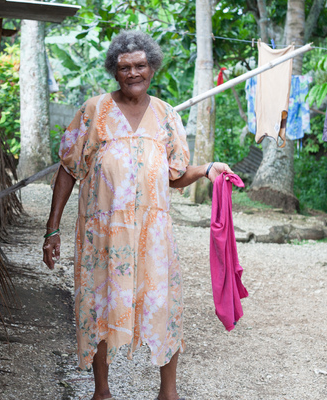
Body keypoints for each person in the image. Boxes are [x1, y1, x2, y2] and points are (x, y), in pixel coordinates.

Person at [43, 30, 233, 400]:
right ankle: (102, 390)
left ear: (152, 68)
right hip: (104, 234)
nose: (133, 73)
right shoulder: (94, 110)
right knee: (100, 301)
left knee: (162, 303)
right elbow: (68, 168)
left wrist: (208, 168)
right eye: (125, 67)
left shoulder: (166, 115)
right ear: (114, 70)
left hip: (153, 234)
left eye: (141, 65)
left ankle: (168, 392)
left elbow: (176, 175)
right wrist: (52, 230)